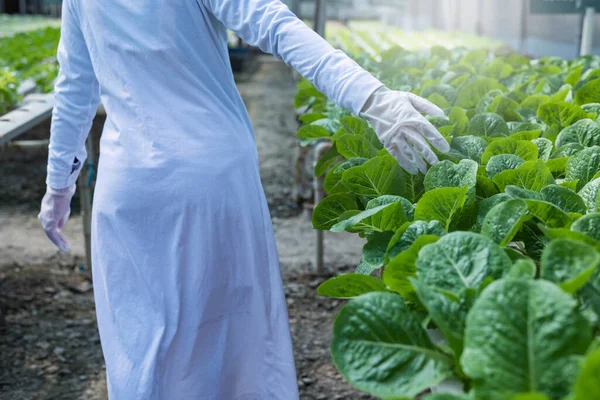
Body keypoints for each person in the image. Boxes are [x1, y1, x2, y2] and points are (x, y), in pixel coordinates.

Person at [37, 0, 448, 398]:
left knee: (139, 342)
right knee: (231, 339)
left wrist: (59, 185)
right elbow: (273, 24)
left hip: (128, 187)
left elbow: (75, 86)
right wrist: (372, 98)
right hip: (208, 179)